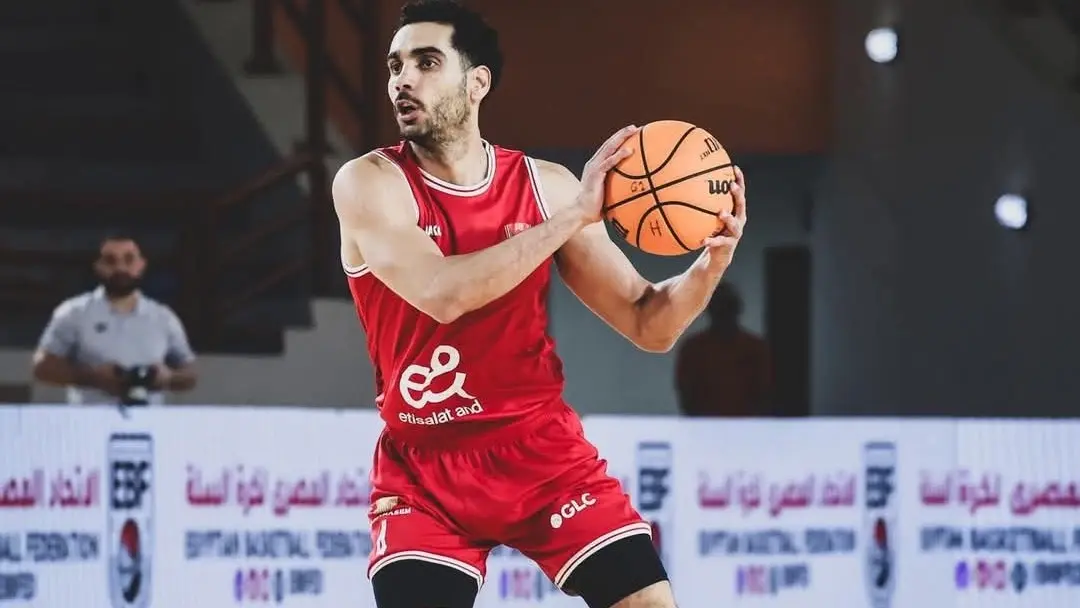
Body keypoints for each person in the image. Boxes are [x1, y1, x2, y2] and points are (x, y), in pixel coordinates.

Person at [332, 1, 747, 606]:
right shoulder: (369, 182)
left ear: (477, 82)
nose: (403, 79)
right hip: (425, 466)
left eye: (426, 62)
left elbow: (648, 323)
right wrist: (572, 216)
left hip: (538, 450)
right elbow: (444, 294)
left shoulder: (544, 187)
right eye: (395, 65)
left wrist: (711, 263)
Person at [31, 233, 198, 405]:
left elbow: (190, 374)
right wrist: (92, 377)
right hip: (89, 418)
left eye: (129, 259)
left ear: (141, 264)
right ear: (98, 266)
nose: (120, 268)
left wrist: (168, 378)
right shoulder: (74, 312)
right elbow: (42, 367)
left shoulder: (163, 317)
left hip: (148, 418)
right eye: (110, 261)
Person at [674, 282, 773, 417]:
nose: (723, 313)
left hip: (745, 423)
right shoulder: (693, 348)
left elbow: (764, 393)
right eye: (720, 308)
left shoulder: (755, 348)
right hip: (707, 423)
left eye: (727, 307)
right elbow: (686, 393)